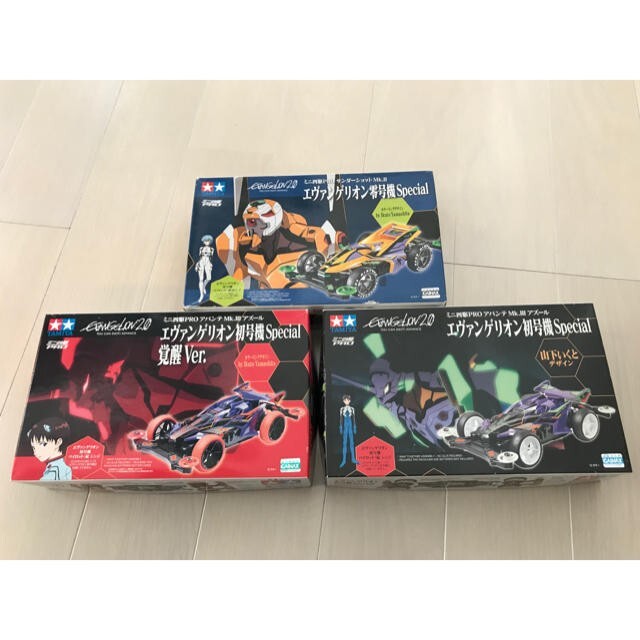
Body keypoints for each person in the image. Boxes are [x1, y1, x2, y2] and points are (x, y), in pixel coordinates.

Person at [339, 394, 358, 468]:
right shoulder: (342, 409)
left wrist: (354, 427)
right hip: (345, 425)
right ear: (343, 401)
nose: (346, 401)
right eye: (345, 400)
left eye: (348, 400)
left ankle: (353, 458)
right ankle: (344, 460)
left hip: (350, 424)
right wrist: (341, 427)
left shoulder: (352, 409)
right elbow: (341, 418)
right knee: (344, 443)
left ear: (350, 400)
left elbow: (354, 418)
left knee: (351, 442)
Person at [195, 234, 215, 303]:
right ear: (203, 241)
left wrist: (211, 264)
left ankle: (203, 287)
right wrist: (197, 264)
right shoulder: (201, 248)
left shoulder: (212, 249)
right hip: (201, 262)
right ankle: (201, 295)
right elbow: (199, 257)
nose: (207, 242)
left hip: (208, 262)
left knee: (209, 278)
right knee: (201, 279)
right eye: (205, 241)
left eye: (208, 241)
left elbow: (211, 258)